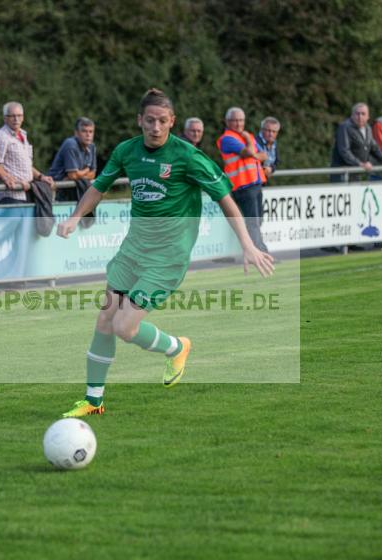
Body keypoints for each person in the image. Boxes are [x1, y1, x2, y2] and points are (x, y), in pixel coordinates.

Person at [56, 88, 274, 418]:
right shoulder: (127, 151)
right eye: (149, 120)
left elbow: (225, 199)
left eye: (162, 121)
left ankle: (177, 347)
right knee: (105, 319)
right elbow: (99, 186)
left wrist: (247, 243)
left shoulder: (187, 156)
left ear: (172, 121)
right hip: (133, 250)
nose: (155, 127)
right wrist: (74, 217)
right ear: (139, 120)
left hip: (168, 257)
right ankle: (93, 400)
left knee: (124, 327)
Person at [216, 107, 269, 252]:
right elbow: (248, 153)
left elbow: (264, 155)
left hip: (255, 184)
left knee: (258, 221)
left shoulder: (248, 136)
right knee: (253, 222)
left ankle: (254, 252)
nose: (238, 124)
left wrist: (254, 154)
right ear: (227, 122)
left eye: (241, 120)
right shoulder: (227, 138)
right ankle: (261, 253)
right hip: (243, 186)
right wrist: (249, 143)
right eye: (234, 120)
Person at [0, 101, 55, 204]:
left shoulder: (23, 135)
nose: (16, 119)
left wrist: (41, 177)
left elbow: (27, 165)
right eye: (12, 116)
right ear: (5, 118)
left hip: (27, 193)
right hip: (9, 196)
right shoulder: (0, 136)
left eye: (19, 115)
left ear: (23, 117)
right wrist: (15, 182)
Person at [330, 103, 382, 182]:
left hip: (356, 172)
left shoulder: (368, 128)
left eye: (363, 114)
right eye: (357, 114)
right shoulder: (344, 127)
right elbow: (344, 151)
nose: (360, 117)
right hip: (342, 173)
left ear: (368, 117)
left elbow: (374, 148)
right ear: (352, 115)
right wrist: (360, 164)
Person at [48, 117, 97, 202]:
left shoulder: (92, 146)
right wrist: (86, 171)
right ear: (76, 133)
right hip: (57, 190)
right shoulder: (70, 144)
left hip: (75, 189)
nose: (88, 135)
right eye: (84, 131)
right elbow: (73, 175)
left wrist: (78, 174)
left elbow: (93, 174)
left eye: (91, 131)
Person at [255, 116, 281, 181]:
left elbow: (277, 162)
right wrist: (263, 169)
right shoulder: (255, 142)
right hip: (253, 182)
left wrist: (271, 168)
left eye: (274, 131)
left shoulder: (274, 143)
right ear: (262, 129)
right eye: (268, 131)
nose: (271, 134)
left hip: (263, 181)